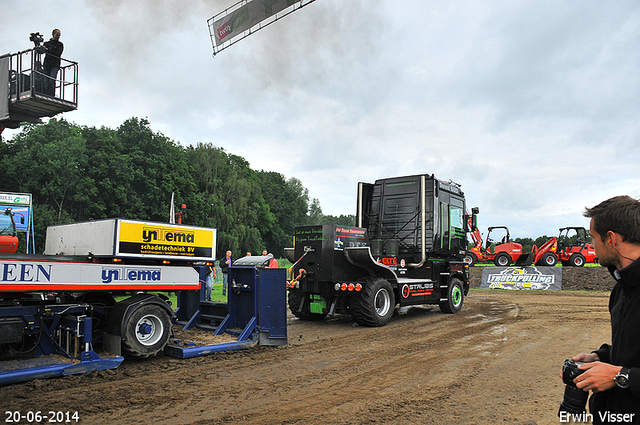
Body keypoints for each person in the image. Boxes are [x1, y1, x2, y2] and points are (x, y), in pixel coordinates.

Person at [567, 195, 640, 422]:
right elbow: (630, 349)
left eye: (593, 238)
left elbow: (625, 371)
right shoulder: (621, 288)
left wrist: (621, 376)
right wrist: (598, 358)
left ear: (610, 239)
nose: (590, 245)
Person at [42, 29, 63, 96]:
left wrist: (47, 50)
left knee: (51, 80)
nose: (58, 36)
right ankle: (46, 94)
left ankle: (51, 95)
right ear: (53, 34)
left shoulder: (60, 45)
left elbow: (57, 53)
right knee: (46, 81)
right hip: (47, 65)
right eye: (57, 35)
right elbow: (41, 52)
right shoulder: (47, 43)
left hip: (55, 65)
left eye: (59, 35)